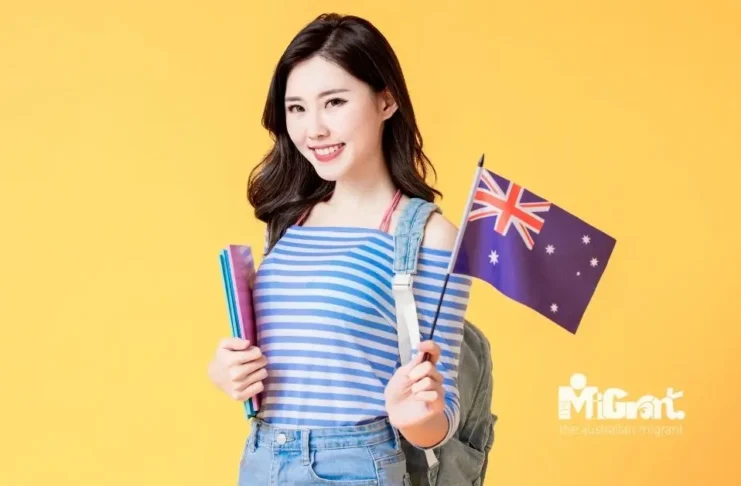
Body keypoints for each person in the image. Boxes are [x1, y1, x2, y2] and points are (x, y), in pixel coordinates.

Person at [207, 12, 473, 485]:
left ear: (386, 100)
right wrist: (230, 370)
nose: (314, 130)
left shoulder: (427, 235)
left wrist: (414, 414)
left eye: (333, 102)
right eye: (297, 108)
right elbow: (295, 357)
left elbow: (441, 416)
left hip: (357, 466)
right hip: (262, 459)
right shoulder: (288, 221)